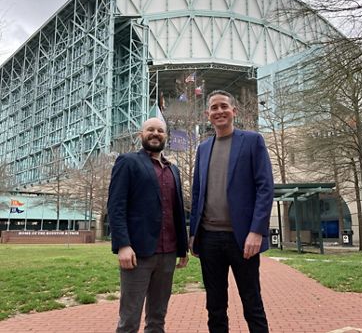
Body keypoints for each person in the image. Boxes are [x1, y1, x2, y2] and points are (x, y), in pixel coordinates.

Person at [189, 90, 274, 333]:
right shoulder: (203, 148)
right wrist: (194, 234)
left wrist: (257, 231)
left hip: (243, 239)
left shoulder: (252, 141)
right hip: (209, 239)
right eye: (214, 108)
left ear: (234, 111)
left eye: (224, 106)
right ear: (208, 115)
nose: (219, 111)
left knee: (252, 303)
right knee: (215, 306)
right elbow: (197, 193)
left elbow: (265, 188)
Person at [108, 117, 189, 333]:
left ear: (166, 136)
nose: (155, 133)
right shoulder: (127, 162)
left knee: (157, 318)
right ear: (140, 135)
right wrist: (123, 245)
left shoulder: (174, 170)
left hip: (168, 253)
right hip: (138, 253)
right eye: (150, 129)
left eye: (160, 130)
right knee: (129, 320)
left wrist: (182, 249)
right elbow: (116, 206)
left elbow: (177, 210)